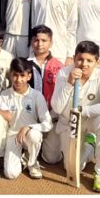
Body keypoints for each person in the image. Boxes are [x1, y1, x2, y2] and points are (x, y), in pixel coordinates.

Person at [51, 41, 100, 193]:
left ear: (97, 61)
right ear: (74, 58)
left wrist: (82, 110)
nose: (83, 64)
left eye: (89, 61)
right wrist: (69, 83)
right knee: (72, 167)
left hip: (91, 120)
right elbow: (57, 107)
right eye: (80, 59)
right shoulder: (64, 73)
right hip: (69, 122)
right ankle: (90, 146)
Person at [1, 58, 52, 180]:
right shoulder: (4, 95)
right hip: (12, 135)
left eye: (22, 75)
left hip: (29, 135)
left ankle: (32, 162)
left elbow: (48, 124)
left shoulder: (37, 95)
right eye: (15, 75)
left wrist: (29, 127)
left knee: (35, 135)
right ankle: (24, 156)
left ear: (29, 76)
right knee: (10, 174)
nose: (18, 80)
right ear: (10, 75)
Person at [27, 25, 65, 165]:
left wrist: (53, 115)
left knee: (52, 158)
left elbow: (63, 95)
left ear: (51, 42)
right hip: (29, 115)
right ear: (31, 41)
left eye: (44, 40)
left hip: (52, 117)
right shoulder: (24, 64)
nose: (40, 44)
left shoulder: (60, 67)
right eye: (36, 40)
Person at [31, 0, 77, 66]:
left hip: (59, 51)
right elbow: (33, 25)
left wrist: (70, 55)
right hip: (38, 49)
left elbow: (71, 29)